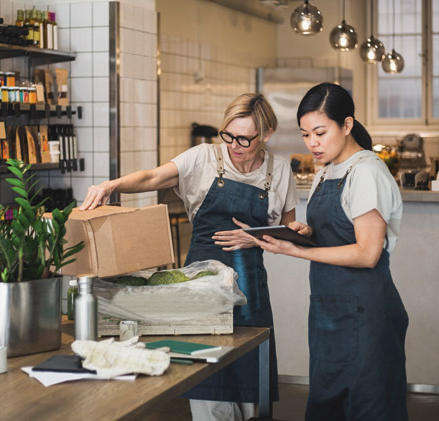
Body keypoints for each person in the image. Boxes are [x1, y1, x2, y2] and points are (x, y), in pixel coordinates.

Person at [80, 93, 299, 420]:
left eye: (245, 139)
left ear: (266, 135)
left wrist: (276, 235)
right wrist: (112, 186)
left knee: (250, 373)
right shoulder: (204, 157)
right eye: (229, 135)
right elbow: (153, 177)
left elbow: (287, 226)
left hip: (250, 287)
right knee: (206, 370)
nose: (235, 145)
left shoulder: (279, 170)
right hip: (199, 285)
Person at [252, 82, 409, 420]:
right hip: (329, 312)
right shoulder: (326, 172)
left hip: (366, 314)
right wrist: (307, 233)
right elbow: (337, 234)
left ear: (347, 125)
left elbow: (368, 253)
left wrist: (296, 252)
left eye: (320, 133)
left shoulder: (366, 171)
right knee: (329, 406)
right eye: (306, 134)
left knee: (367, 406)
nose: (312, 143)